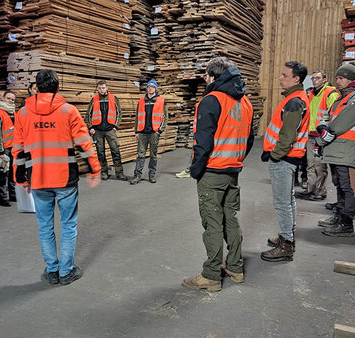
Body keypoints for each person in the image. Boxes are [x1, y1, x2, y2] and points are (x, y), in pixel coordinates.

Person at [12, 69, 101, 286]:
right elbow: (84, 144)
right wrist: (94, 169)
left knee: (45, 226)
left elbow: (17, 149)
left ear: (37, 88)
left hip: (38, 179)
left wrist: (21, 178)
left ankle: (52, 269)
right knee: (69, 224)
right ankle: (66, 271)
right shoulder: (68, 111)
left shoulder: (23, 113)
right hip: (64, 178)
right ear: (57, 87)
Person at [181, 57, 254, 292]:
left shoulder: (211, 101)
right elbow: (250, 139)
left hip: (213, 172)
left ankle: (211, 274)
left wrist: (195, 170)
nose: (204, 79)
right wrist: (236, 159)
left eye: (206, 75)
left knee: (212, 223)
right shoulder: (245, 102)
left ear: (213, 76)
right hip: (233, 170)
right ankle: (235, 267)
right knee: (230, 219)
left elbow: (202, 142)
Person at [260, 61, 310, 262]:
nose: (280, 78)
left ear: (296, 79)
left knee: (282, 202)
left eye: (284, 75)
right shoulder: (294, 98)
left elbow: (288, 135)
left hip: (284, 159)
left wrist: (275, 154)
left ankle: (286, 244)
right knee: (288, 200)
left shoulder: (294, 101)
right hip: (288, 158)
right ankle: (286, 235)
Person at [315, 64, 355, 237]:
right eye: (337, 78)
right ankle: (339, 215)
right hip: (336, 148)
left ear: (351, 79)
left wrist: (324, 136)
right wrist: (323, 128)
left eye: (341, 78)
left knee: (348, 186)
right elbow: (326, 116)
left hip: (347, 148)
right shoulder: (342, 97)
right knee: (339, 184)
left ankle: (347, 223)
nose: (337, 81)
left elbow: (341, 123)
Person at [298, 70, 339, 201]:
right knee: (310, 164)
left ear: (324, 79)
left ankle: (321, 191)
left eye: (318, 78)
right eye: (313, 78)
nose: (314, 80)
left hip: (321, 135)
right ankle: (310, 189)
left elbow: (334, 114)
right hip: (310, 134)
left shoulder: (330, 93)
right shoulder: (310, 94)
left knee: (319, 165)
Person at [85, 80, 126, 180]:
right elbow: (87, 115)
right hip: (97, 131)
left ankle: (119, 173)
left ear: (107, 88)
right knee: (100, 152)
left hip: (110, 130)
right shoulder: (94, 100)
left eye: (103, 88)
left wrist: (115, 126)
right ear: (97, 89)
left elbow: (119, 113)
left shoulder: (113, 98)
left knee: (115, 151)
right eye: (99, 88)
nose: (102, 90)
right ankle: (104, 172)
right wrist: (90, 127)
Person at [130, 79, 168, 184]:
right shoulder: (141, 101)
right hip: (142, 132)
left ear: (155, 89)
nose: (150, 88)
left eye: (152, 87)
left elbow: (165, 117)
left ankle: (152, 175)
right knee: (140, 154)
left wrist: (160, 130)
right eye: (148, 87)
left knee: (153, 155)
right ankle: (137, 175)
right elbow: (138, 117)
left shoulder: (161, 101)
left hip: (154, 132)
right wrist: (136, 131)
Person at [0, 91, 16, 207]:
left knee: (12, 172)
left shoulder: (13, 113)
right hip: (3, 149)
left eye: (13, 99)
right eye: (9, 98)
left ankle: (13, 194)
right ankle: (3, 197)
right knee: (3, 173)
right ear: (3, 99)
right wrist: (0, 151)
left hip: (13, 147)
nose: (11, 101)